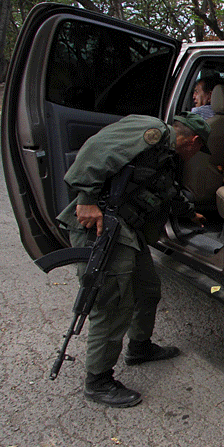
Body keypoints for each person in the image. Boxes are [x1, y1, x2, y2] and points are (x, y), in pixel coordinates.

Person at [57, 113, 211, 408]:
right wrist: (86, 198)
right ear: (193, 141)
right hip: (103, 228)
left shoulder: (163, 157)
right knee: (112, 303)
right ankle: (98, 381)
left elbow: (165, 192)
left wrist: (189, 213)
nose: (193, 156)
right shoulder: (152, 132)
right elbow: (96, 149)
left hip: (125, 230)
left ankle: (139, 347)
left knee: (148, 289)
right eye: (197, 150)